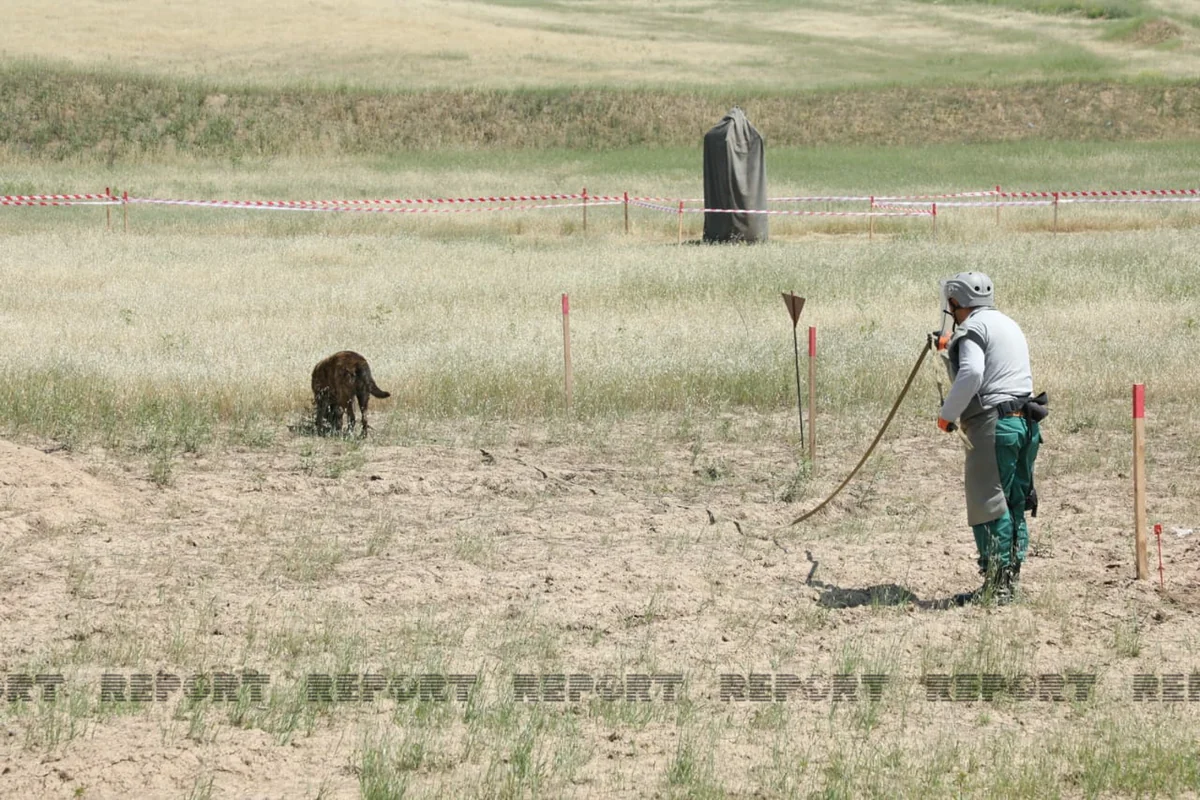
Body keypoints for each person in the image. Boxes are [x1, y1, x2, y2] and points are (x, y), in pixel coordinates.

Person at [932, 272, 1047, 605]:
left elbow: (971, 373)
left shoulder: (972, 330)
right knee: (1013, 504)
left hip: (995, 426)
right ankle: (1009, 582)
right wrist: (949, 347)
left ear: (956, 303)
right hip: (1026, 424)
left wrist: (947, 415)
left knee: (989, 506)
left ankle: (996, 587)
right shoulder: (1005, 323)